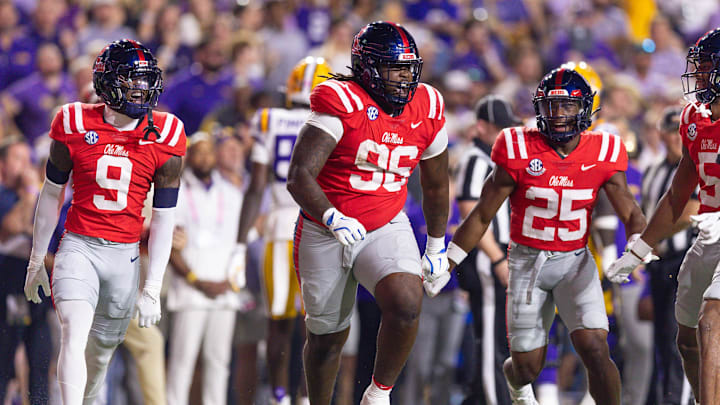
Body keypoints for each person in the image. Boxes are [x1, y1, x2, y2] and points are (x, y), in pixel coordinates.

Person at [444, 67, 647, 405]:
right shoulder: (517, 145)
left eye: (567, 106)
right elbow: (481, 213)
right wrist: (447, 260)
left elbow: (630, 212)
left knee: (596, 347)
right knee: (526, 367)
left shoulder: (604, 149)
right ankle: (517, 383)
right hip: (527, 261)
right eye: (552, 106)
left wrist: (637, 251)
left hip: (575, 259)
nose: (558, 115)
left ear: (584, 109)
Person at [285, 21, 450, 405]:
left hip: (385, 222)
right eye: (396, 68)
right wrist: (331, 217)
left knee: (407, 304)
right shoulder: (341, 100)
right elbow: (299, 176)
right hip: (324, 228)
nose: (405, 78)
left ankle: (378, 394)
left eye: (410, 68)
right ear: (368, 68)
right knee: (327, 339)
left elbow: (438, 184)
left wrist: (438, 245)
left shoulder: (426, 105)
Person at [22, 39, 186, 405]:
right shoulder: (73, 121)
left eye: (146, 80)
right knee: (74, 334)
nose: (142, 89)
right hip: (79, 246)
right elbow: (51, 193)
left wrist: (151, 287)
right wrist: (36, 259)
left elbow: (164, 217)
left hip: (125, 257)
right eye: (132, 80)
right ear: (109, 82)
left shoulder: (167, 132)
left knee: (97, 358)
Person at [606, 27, 720, 405]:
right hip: (709, 233)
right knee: (686, 338)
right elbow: (676, 196)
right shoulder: (696, 119)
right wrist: (639, 250)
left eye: (707, 68)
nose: (699, 76)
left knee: (710, 323)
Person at [230, 56, 331, 405]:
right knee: (316, 322)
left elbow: (256, 186)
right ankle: (307, 397)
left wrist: (240, 243)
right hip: (321, 226)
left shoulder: (267, 120)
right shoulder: (334, 120)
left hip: (278, 228)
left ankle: (279, 395)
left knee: (279, 321)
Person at [166, 133, 244, 405]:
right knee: (182, 360)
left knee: (219, 361)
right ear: (189, 156)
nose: (204, 158)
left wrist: (230, 281)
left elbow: (241, 243)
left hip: (224, 291)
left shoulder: (233, 194)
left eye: (209, 152)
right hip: (190, 291)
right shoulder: (177, 193)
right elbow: (170, 247)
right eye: (198, 152)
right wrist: (195, 280)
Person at [453, 95, 517, 405]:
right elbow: (470, 211)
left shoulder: (492, 159)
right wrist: (496, 258)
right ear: (482, 127)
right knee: (493, 341)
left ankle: (479, 398)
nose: (505, 133)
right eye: (499, 128)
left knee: (500, 339)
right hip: (487, 255)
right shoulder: (475, 159)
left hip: (501, 253)